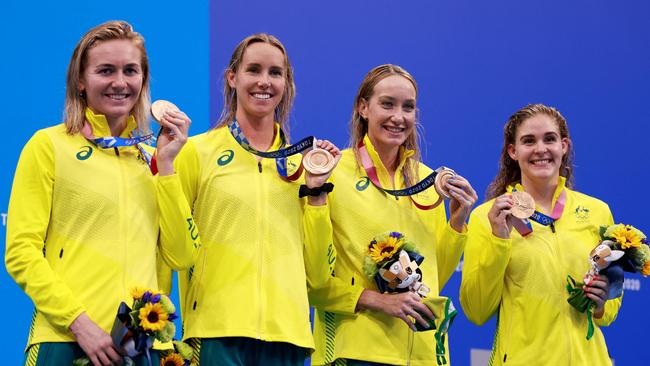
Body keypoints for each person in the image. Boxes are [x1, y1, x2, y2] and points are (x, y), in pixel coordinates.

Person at [5, 21, 197, 366]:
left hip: (138, 343)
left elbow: (182, 256)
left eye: (130, 71)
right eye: (105, 70)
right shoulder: (48, 146)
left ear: (143, 79)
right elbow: (21, 252)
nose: (119, 82)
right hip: (66, 339)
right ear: (81, 80)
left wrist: (166, 167)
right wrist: (79, 323)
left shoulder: (154, 158)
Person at [173, 33, 339, 365]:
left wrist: (317, 191)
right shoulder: (196, 152)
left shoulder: (305, 166)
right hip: (216, 332)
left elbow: (320, 274)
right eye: (254, 70)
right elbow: (172, 248)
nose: (264, 81)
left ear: (286, 84)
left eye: (275, 73)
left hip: (286, 337)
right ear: (232, 77)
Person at [309, 64, 477, 366]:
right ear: (363, 107)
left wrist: (457, 222)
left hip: (423, 354)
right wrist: (379, 300)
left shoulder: (427, 183)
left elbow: (433, 277)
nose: (398, 117)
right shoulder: (332, 173)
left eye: (408, 107)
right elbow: (313, 279)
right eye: (387, 104)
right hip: (354, 351)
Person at [460, 103, 620, 365]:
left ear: (564, 146)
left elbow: (609, 310)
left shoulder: (597, 212)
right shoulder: (487, 217)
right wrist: (500, 240)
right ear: (513, 151)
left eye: (550, 139)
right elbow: (476, 310)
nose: (541, 149)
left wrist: (602, 302)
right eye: (528, 141)